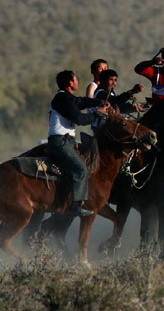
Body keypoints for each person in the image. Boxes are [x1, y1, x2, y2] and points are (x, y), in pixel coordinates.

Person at [48, 70, 110, 217]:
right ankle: (76, 206)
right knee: (81, 169)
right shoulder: (62, 99)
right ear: (70, 83)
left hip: (66, 142)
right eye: (75, 80)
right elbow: (79, 119)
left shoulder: (67, 98)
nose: (77, 82)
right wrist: (97, 113)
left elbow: (81, 101)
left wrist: (99, 102)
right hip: (60, 142)